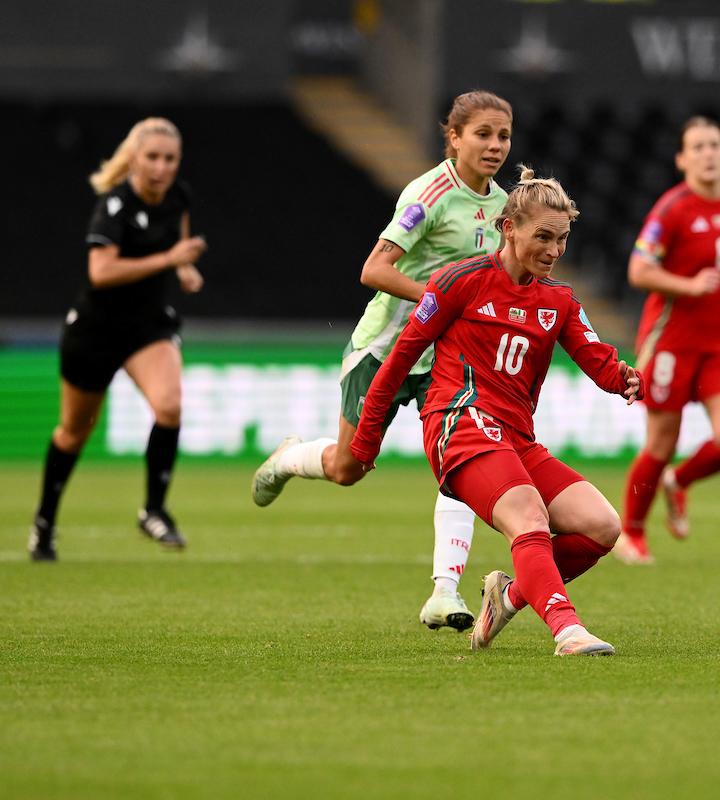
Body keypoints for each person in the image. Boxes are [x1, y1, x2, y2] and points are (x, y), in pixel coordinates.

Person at [350, 167, 644, 656]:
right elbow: (400, 361)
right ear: (509, 229)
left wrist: (626, 379)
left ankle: (506, 596)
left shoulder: (559, 300)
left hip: (514, 437)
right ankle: (568, 630)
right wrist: (365, 440)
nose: (554, 250)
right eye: (543, 237)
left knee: (602, 526)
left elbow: (598, 358)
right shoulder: (459, 282)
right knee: (528, 516)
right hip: (457, 422)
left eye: (563, 239)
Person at [251, 91, 514, 632]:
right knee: (349, 468)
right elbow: (375, 269)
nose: (494, 145)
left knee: (459, 465)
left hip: (444, 356)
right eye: (483, 134)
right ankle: (288, 458)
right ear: (455, 137)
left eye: (503, 135)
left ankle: (445, 592)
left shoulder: (503, 203)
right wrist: (437, 300)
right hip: (385, 347)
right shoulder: (430, 193)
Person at [29, 117, 208, 561]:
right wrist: (168, 258)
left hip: (148, 326)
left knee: (169, 405)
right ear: (133, 159)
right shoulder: (114, 206)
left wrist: (184, 269)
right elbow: (100, 271)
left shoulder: (178, 197)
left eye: (169, 159)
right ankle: (44, 523)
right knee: (73, 433)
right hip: (96, 330)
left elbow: (178, 243)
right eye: (152, 157)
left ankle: (154, 510)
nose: (161, 167)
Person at [613, 116, 720, 565]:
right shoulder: (671, 209)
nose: (708, 153)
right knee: (660, 444)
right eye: (697, 147)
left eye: (715, 144)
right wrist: (689, 285)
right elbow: (639, 271)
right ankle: (631, 533)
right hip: (671, 342)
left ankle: (679, 482)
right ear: (681, 159)